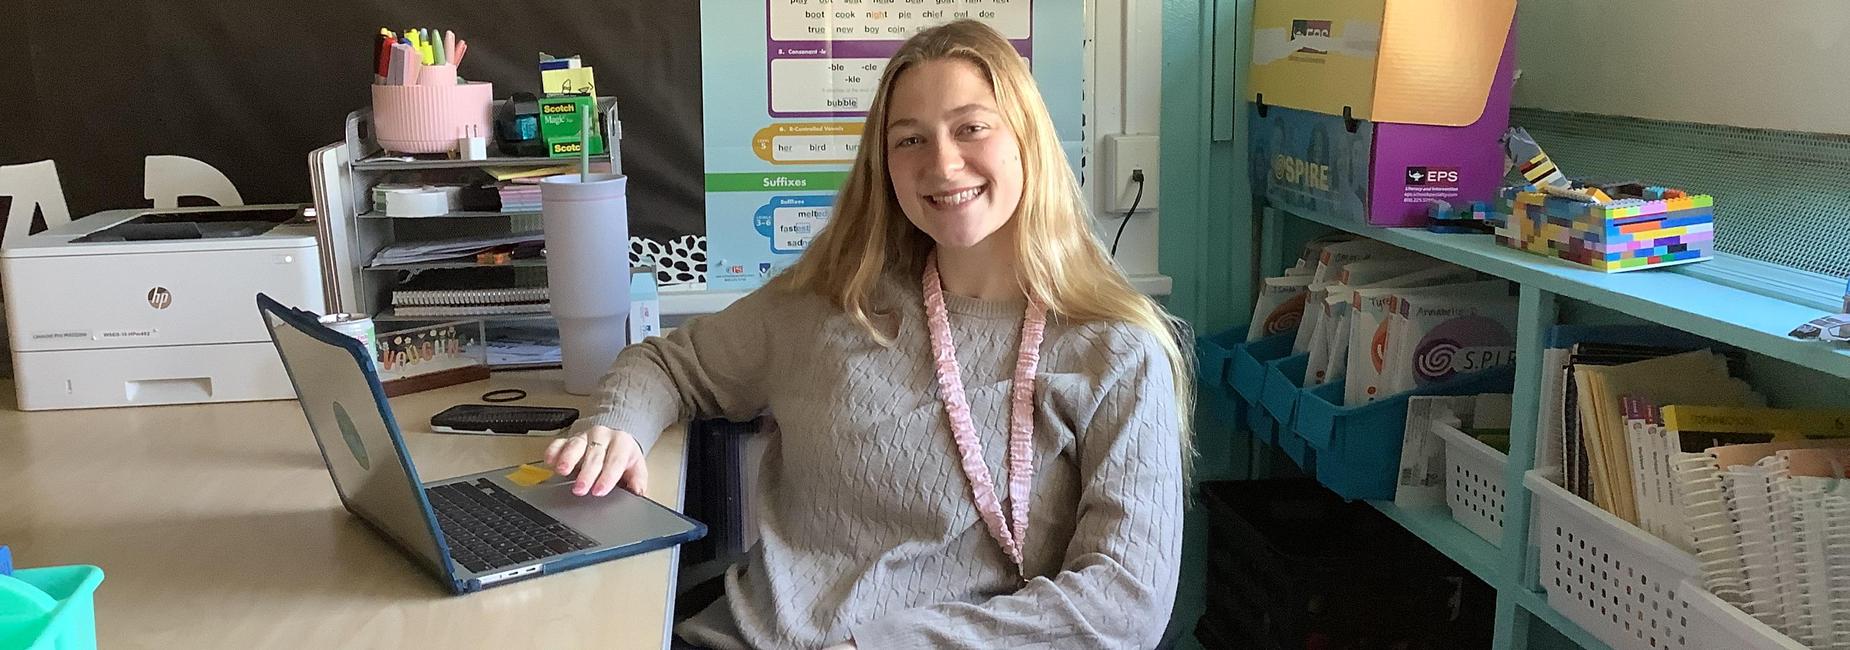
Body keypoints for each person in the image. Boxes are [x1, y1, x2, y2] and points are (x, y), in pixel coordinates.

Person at [544, 19, 1194, 650]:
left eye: (970, 128)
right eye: (909, 139)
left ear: (1025, 138)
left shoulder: (1116, 351)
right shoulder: (835, 298)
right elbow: (672, 364)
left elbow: (1125, 601)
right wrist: (616, 425)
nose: (942, 163)